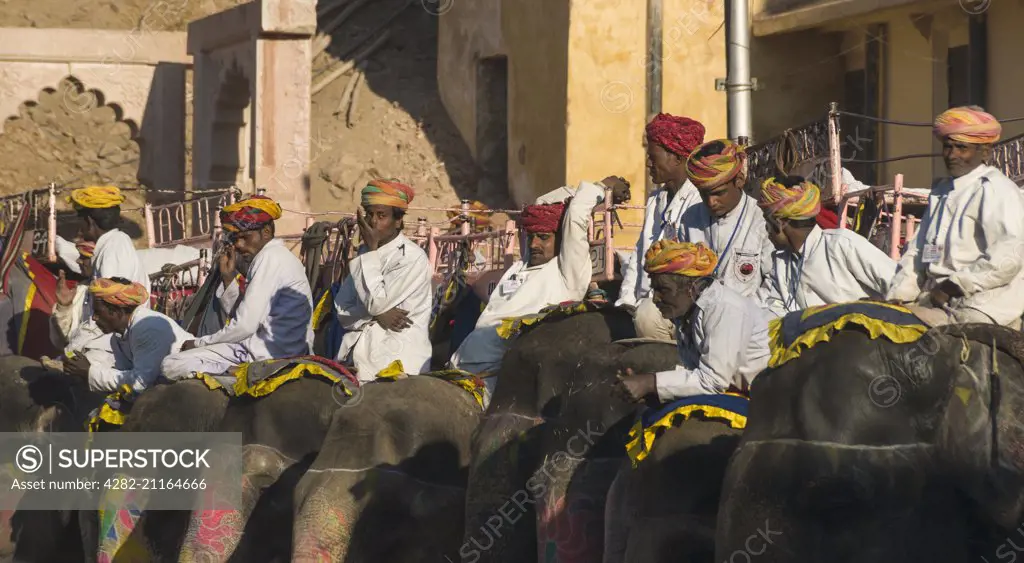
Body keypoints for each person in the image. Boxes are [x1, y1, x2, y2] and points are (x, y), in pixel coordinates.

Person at [450, 177, 630, 393]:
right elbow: (542, 202)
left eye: (543, 237)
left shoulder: (566, 271)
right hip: (459, 366)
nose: (534, 244)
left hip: (491, 378)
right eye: (532, 236)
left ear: (562, 239)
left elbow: (575, 216)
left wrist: (601, 187)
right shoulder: (521, 267)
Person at [886, 106, 1024, 328]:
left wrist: (954, 286)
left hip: (982, 306)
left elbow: (1010, 256)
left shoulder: (996, 189)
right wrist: (898, 296)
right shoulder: (941, 191)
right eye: (948, 147)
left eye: (962, 148)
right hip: (935, 299)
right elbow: (918, 252)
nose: (952, 155)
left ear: (985, 152)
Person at [161, 195, 314, 379]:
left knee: (171, 364)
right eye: (235, 239)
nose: (239, 245)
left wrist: (199, 343)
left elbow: (245, 326)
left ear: (266, 232)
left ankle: (235, 372)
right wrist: (228, 279)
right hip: (263, 349)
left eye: (244, 237)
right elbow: (246, 316)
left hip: (267, 354)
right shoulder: (272, 257)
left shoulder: (270, 258)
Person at [617, 241, 770, 403]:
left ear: (692, 287)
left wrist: (649, 383)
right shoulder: (687, 312)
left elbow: (713, 381)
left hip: (762, 398)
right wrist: (649, 388)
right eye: (654, 290)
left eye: (663, 290)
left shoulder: (724, 309)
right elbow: (695, 371)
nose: (655, 298)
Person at [616, 113, 707, 341]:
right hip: (647, 300)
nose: (648, 164)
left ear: (676, 157)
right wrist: (626, 300)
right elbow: (640, 256)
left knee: (648, 317)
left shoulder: (700, 201)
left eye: (652, 157)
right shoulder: (656, 200)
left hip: (676, 305)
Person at [333, 180, 433, 381]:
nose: (373, 222)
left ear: (398, 221)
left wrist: (371, 251)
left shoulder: (411, 257)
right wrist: (377, 316)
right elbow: (342, 310)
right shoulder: (363, 254)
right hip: (357, 360)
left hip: (397, 364)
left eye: (381, 215)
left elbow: (376, 303)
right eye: (369, 214)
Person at [756, 176, 898, 316]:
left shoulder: (841, 244)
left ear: (779, 223)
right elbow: (769, 309)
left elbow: (900, 284)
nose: (764, 229)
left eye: (766, 221)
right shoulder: (781, 263)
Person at [63, 277, 192, 393]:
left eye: (98, 312)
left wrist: (90, 372)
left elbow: (140, 383)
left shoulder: (145, 328)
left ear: (117, 311)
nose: (94, 318)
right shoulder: (120, 334)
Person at [679, 139, 773, 298]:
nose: (711, 202)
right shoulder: (690, 218)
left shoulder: (762, 220)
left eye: (719, 193)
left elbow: (772, 284)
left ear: (739, 181)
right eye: (704, 194)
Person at [50, 241, 96, 350]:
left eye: (84, 257)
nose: (78, 261)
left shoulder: (121, 294)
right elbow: (61, 341)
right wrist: (64, 307)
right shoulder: (81, 290)